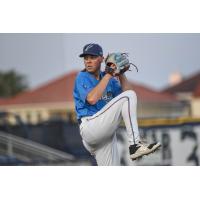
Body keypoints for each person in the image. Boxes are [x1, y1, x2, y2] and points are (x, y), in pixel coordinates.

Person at [73, 43, 161, 166]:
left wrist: (121, 74)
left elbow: (129, 94)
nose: (88, 61)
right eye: (85, 58)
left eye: (92, 57)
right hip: (90, 127)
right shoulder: (82, 77)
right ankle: (135, 145)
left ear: (101, 59)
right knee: (128, 97)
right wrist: (109, 74)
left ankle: (135, 145)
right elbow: (92, 99)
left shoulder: (108, 79)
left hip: (105, 135)